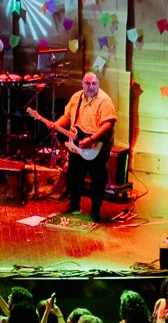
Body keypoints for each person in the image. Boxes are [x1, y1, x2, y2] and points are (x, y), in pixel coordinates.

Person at [51, 71, 119, 219]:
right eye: (87, 83)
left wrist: (91, 139)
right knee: (74, 177)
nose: (91, 86)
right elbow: (67, 117)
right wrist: (56, 125)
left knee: (97, 180)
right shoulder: (76, 98)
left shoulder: (105, 101)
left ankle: (95, 211)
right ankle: (74, 206)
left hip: (97, 147)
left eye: (94, 83)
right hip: (77, 146)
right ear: (82, 84)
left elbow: (107, 125)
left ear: (98, 84)